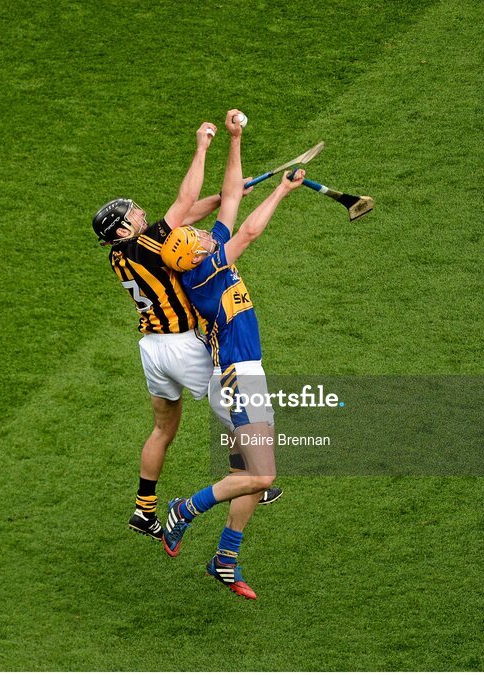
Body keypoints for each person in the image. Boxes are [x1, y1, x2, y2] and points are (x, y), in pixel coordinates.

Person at [91, 112, 281, 541]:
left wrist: (226, 194)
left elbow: (187, 212)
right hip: (183, 345)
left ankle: (144, 508)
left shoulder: (121, 253)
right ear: (122, 228)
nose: (141, 215)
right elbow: (183, 201)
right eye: (134, 214)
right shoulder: (146, 243)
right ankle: (251, 476)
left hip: (152, 350)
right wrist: (203, 146)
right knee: (239, 409)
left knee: (163, 428)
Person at [159, 165, 306, 599]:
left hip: (244, 377)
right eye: (200, 239)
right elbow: (250, 232)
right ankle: (183, 509)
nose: (207, 234)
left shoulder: (204, 256)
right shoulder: (202, 277)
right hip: (237, 379)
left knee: (247, 473)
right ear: (194, 256)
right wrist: (281, 190)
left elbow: (230, 200)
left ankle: (225, 559)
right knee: (262, 477)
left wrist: (234, 137)